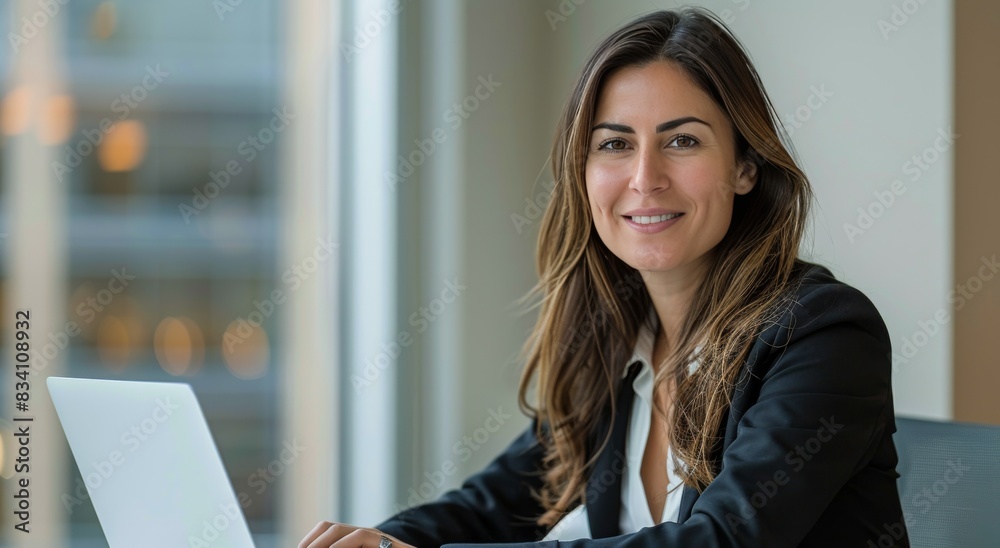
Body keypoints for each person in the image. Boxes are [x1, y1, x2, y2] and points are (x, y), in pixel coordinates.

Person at [299, 7, 908, 547]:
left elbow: (721, 540)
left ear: (745, 167)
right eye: (615, 145)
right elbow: (493, 507)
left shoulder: (823, 333)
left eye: (683, 141)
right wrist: (382, 541)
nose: (645, 177)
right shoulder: (615, 344)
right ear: (583, 172)